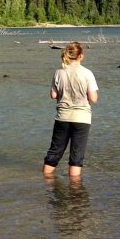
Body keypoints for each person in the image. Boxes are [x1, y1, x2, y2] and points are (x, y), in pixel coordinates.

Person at [42, 40, 99, 180]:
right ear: (81, 56)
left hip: (62, 117)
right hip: (82, 118)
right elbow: (93, 99)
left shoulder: (59, 72)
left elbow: (53, 95)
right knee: (76, 156)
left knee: (54, 152)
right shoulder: (87, 73)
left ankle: (46, 184)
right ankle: (74, 189)